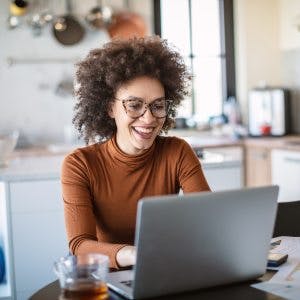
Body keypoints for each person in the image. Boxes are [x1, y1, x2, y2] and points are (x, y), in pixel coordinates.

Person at [61, 36, 210, 270]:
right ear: (110, 107)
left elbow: (207, 219)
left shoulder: (177, 152)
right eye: (134, 104)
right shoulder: (80, 164)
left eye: (158, 105)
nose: (149, 118)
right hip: (108, 277)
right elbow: (80, 245)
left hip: (166, 268)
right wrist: (136, 254)